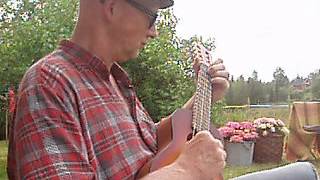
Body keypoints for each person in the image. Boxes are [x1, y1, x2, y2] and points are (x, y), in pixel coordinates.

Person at [7, 0, 319, 180]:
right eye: (153, 15)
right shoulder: (50, 84)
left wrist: (204, 95)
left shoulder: (114, 80)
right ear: (111, 5)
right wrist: (187, 170)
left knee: (304, 173)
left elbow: (150, 147)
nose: (155, 31)